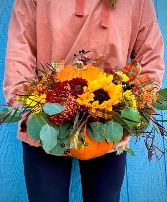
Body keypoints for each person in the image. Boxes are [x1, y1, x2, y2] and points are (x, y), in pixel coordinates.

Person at [3, 0, 164, 201]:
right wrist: (27, 106)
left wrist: (133, 109)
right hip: (47, 117)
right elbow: (20, 48)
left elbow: (151, 56)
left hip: (108, 121)